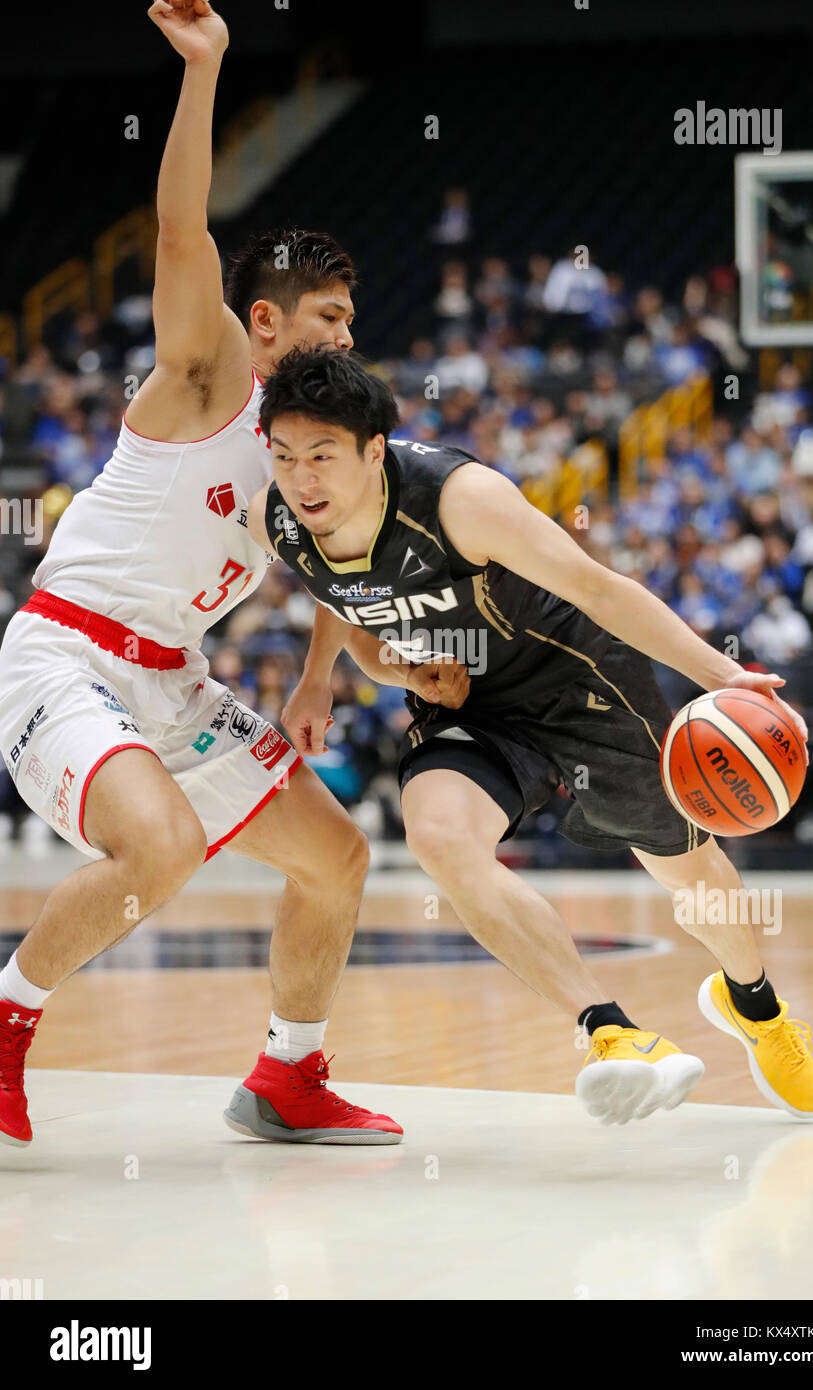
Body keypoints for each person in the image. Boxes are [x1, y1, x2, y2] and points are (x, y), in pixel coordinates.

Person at [0, 0, 435, 1149]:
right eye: (328, 317)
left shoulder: (316, 444)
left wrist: (320, 679)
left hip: (175, 682)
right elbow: (182, 228)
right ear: (266, 322)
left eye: (352, 316)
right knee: (163, 848)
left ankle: (287, 1077)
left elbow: (335, 568)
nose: (347, 334)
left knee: (337, 857)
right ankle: (8, 1015)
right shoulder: (207, 380)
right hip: (67, 650)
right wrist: (205, 69)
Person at [247, 347, 813, 1127]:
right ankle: (613, 1032)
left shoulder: (462, 501)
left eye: (321, 456)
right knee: (440, 839)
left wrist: (719, 674)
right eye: (284, 457)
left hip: (581, 680)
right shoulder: (277, 517)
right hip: (473, 702)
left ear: (372, 451)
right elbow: (344, 599)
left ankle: (756, 1007)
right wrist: (386, 676)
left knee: (690, 872)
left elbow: (599, 587)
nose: (300, 478)